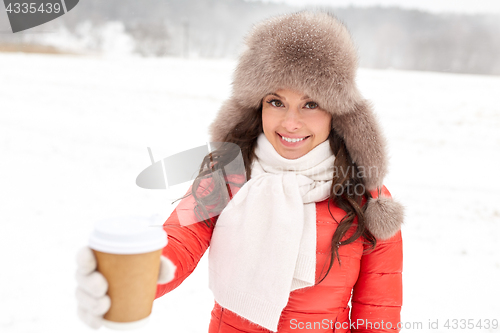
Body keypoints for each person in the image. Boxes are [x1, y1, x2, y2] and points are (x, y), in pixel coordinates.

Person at [76, 10, 404, 333]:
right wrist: (133, 279)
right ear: (256, 105)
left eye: (311, 104)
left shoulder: (366, 200)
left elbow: (377, 316)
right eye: (276, 102)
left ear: (337, 112)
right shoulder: (230, 174)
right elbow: (180, 238)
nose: (291, 122)